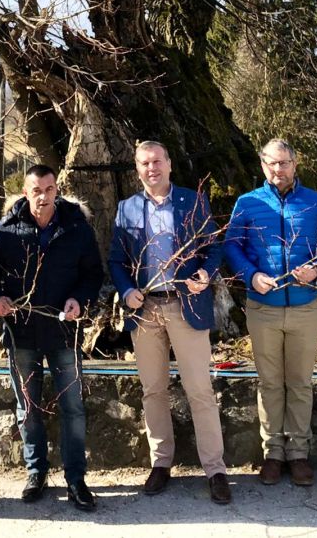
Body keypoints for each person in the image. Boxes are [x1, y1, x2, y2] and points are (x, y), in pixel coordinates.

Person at [108, 141, 231, 504]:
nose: (151, 169)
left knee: (200, 390)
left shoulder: (192, 202)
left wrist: (206, 275)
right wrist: (127, 289)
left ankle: (216, 469)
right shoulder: (126, 208)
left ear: (169, 164)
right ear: (137, 168)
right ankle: (161, 463)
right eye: (144, 163)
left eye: (157, 161)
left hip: (185, 305)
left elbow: (214, 247)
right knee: (153, 390)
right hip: (145, 310)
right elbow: (116, 260)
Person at [0, 164, 104, 511]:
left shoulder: (77, 229)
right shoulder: (6, 231)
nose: (43, 197)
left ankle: (76, 479)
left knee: (73, 408)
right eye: (36, 191)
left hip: (64, 331)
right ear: (26, 192)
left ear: (57, 189)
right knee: (28, 408)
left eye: (49, 189)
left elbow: (94, 275)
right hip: (22, 334)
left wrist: (81, 299)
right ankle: (36, 473)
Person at [224, 139, 317, 486]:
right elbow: (232, 245)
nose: (279, 169)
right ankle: (273, 453)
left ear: (295, 163)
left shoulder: (316, 202)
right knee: (271, 384)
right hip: (263, 308)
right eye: (272, 164)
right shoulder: (247, 204)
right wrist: (250, 275)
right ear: (263, 165)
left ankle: (299, 454)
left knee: (301, 383)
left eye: (285, 163)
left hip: (305, 306)